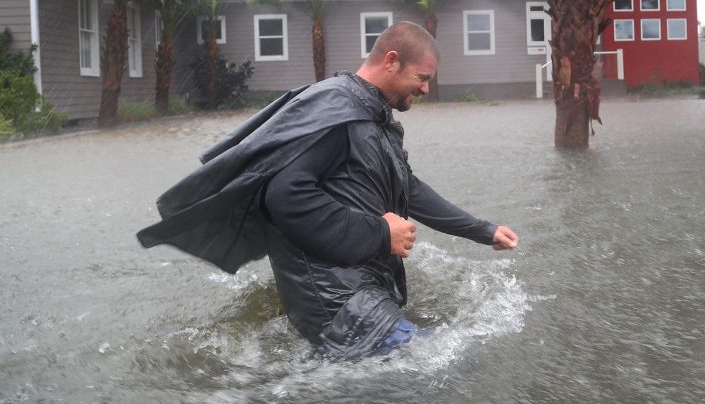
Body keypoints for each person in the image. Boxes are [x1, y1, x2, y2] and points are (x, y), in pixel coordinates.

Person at [137, 21, 518, 359]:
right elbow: (285, 197)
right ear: (390, 60)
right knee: (443, 367)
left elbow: (408, 187)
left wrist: (482, 231)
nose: (426, 87)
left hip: (360, 288)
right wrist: (380, 232)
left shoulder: (370, 116)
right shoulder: (338, 113)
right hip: (338, 304)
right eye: (422, 76)